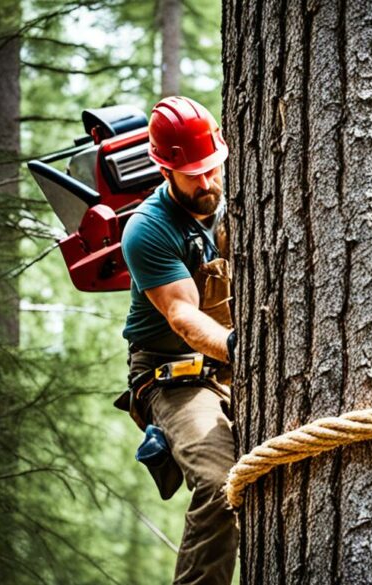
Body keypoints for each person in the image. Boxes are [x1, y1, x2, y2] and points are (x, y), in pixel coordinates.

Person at [119, 95, 238, 585]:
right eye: (193, 174)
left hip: (235, 368)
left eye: (213, 168)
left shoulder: (245, 200)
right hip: (175, 378)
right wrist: (240, 349)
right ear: (165, 170)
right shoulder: (148, 230)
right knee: (218, 484)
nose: (207, 183)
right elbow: (182, 315)